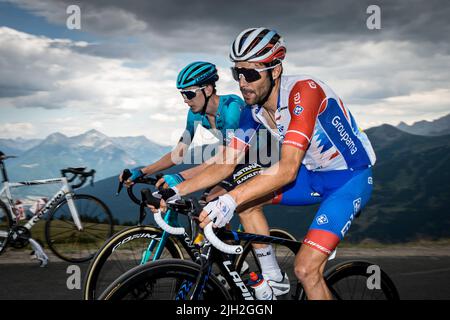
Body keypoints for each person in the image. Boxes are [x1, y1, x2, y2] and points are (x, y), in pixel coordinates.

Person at [154, 27, 376, 300]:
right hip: (312, 176)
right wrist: (176, 190)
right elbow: (225, 163)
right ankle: (273, 280)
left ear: (275, 70)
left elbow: (287, 169)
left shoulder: (304, 92)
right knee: (248, 200)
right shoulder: (253, 110)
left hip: (348, 180)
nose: (243, 83)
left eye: (251, 74)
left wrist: (229, 200)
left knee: (306, 270)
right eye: (238, 73)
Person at [120, 61, 244, 200]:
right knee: (201, 208)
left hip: (259, 158)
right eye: (182, 94)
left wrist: (181, 177)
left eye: (189, 94)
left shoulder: (231, 106)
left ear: (208, 89)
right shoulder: (195, 114)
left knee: (211, 201)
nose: (185, 100)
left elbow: (223, 158)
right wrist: (143, 171)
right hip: (233, 160)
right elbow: (178, 153)